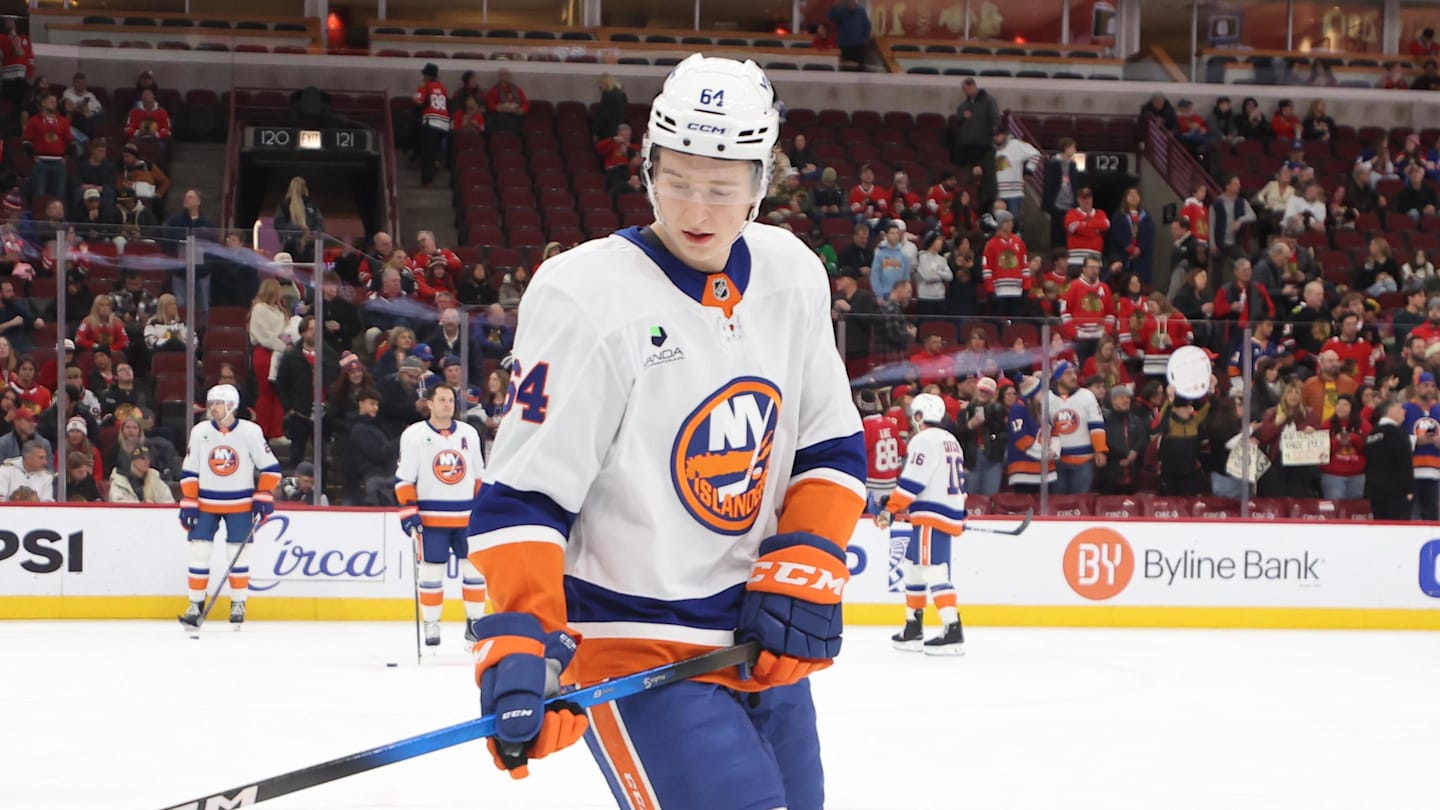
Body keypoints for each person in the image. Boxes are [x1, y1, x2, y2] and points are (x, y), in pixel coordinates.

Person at [464, 55, 865, 807]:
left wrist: (809, 551)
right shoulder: (584, 295)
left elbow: (828, 443)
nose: (696, 209)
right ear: (646, 167)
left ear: (761, 183)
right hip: (633, 644)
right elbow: (525, 494)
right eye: (675, 180)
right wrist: (522, 635)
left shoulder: (791, 272)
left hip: (758, 635)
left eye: (721, 188)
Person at [178, 384, 282, 628]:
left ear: (231, 405)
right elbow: (190, 468)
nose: (212, 407)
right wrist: (189, 500)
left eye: (218, 403)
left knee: (237, 554)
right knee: (199, 553)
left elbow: (270, 467)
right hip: (205, 502)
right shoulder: (200, 431)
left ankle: (238, 602)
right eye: (211, 403)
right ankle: (195, 604)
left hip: (240, 503)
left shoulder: (250, 432)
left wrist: (263, 494)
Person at [875, 393, 966, 655]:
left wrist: (889, 510)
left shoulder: (924, 440)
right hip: (941, 513)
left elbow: (913, 481)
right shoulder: (951, 440)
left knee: (933, 570)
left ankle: (953, 630)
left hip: (930, 516)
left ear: (918, 416)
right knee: (913, 568)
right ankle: (912, 627)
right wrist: (962, 513)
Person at [395, 385, 485, 646]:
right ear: (429, 404)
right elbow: (404, 479)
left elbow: (479, 475)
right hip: (432, 519)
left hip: (468, 518)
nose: (447, 404)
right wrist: (409, 511)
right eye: (441, 400)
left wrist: (482, 509)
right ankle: (432, 622)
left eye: (450, 400)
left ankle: (475, 623)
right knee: (432, 572)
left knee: (476, 571)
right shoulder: (414, 435)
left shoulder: (469, 433)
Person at [1366, 397, 1414, 520]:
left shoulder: (1372, 434)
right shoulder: (1398, 433)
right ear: (1391, 410)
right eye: (1400, 408)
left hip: (1375, 491)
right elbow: (1405, 462)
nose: (1404, 411)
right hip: (1396, 492)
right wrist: (1409, 489)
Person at [1402, 372, 1440, 521]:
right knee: (1412, 515)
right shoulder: (1405, 409)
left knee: (1432, 515)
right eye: (1425, 385)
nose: (1429, 389)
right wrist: (1416, 441)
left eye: (1432, 386)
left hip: (1435, 472)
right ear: (1416, 387)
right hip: (1411, 472)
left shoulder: (1439, 409)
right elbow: (1396, 439)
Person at [859, 389, 905, 508]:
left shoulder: (865, 428)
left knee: (871, 525)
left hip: (871, 491)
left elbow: (859, 459)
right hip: (891, 488)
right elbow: (901, 453)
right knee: (885, 523)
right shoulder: (890, 424)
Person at [414, 63, 450, 187]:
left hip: (431, 121)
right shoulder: (443, 88)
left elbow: (418, 102)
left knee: (427, 152)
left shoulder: (425, 86)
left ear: (428, 75)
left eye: (424, 74)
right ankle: (437, 163)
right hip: (444, 123)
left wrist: (419, 89)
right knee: (437, 150)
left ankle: (426, 180)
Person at [273, 176, 323, 259]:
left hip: (307, 245)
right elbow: (278, 225)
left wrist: (312, 233)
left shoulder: (311, 205)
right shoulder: (285, 205)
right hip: (292, 245)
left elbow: (320, 225)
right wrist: (300, 230)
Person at [109, 444, 174, 503]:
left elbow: (169, 502)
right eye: (142, 458)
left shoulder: (155, 479)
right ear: (133, 460)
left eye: (148, 458)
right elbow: (119, 504)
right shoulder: (119, 481)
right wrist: (144, 506)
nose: (147, 461)